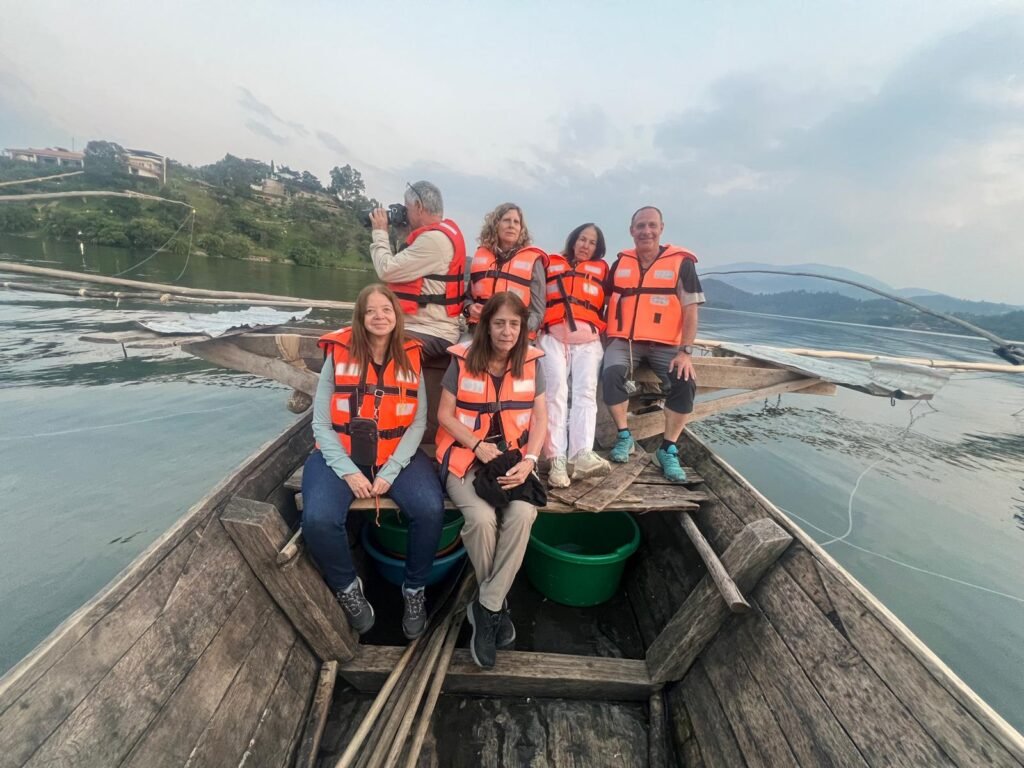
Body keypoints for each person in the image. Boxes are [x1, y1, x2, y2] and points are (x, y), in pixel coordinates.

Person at [302, 284, 444, 640]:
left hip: (396, 455)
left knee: (430, 510)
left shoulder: (411, 355)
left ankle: (414, 590)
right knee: (318, 519)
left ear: (396, 315)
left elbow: (417, 423)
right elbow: (320, 424)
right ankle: (348, 588)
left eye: (386, 310)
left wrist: (391, 470)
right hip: (341, 455)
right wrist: (349, 472)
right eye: (371, 311)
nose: (379, 317)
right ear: (360, 317)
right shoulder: (338, 354)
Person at [435, 293, 547, 669]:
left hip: (514, 461)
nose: (506, 331)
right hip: (466, 459)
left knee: (523, 515)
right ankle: (496, 607)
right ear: (486, 325)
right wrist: (475, 444)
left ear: (523, 327)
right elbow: (444, 415)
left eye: (514, 324)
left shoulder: (532, 362)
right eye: (499, 323)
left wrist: (530, 460)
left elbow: (541, 420)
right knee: (481, 520)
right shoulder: (463, 359)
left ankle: (486, 607)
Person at [602, 206, 705, 482]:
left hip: (666, 344)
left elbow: (691, 310)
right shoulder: (620, 263)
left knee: (685, 382)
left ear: (661, 228)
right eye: (640, 226)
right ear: (631, 230)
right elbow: (605, 300)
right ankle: (624, 435)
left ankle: (667, 448)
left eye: (651, 225)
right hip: (625, 341)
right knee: (610, 373)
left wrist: (685, 352)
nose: (646, 231)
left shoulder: (681, 263)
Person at [538, 222, 612, 488]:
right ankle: (556, 459)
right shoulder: (550, 263)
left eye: (592, 242)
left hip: (588, 341)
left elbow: (616, 302)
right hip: (553, 338)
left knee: (585, 394)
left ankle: (582, 454)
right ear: (573, 240)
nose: (585, 245)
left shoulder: (602, 270)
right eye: (582, 239)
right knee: (554, 393)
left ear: (598, 248)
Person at [369, 181, 466, 360]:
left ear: (419, 206)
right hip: (416, 327)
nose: (404, 213)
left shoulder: (434, 240)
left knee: (371, 347)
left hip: (432, 331)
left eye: (407, 208)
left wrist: (380, 232)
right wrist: (402, 234)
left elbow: (386, 270)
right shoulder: (430, 236)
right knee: (349, 338)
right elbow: (404, 267)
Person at [465, 203, 547, 337]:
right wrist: (469, 308)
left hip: (515, 337)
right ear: (495, 224)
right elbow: (468, 297)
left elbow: (538, 313)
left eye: (516, 222)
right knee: (456, 350)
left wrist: (514, 329)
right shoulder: (481, 255)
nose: (511, 225)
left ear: (521, 229)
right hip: (479, 331)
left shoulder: (533, 261)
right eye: (506, 220)